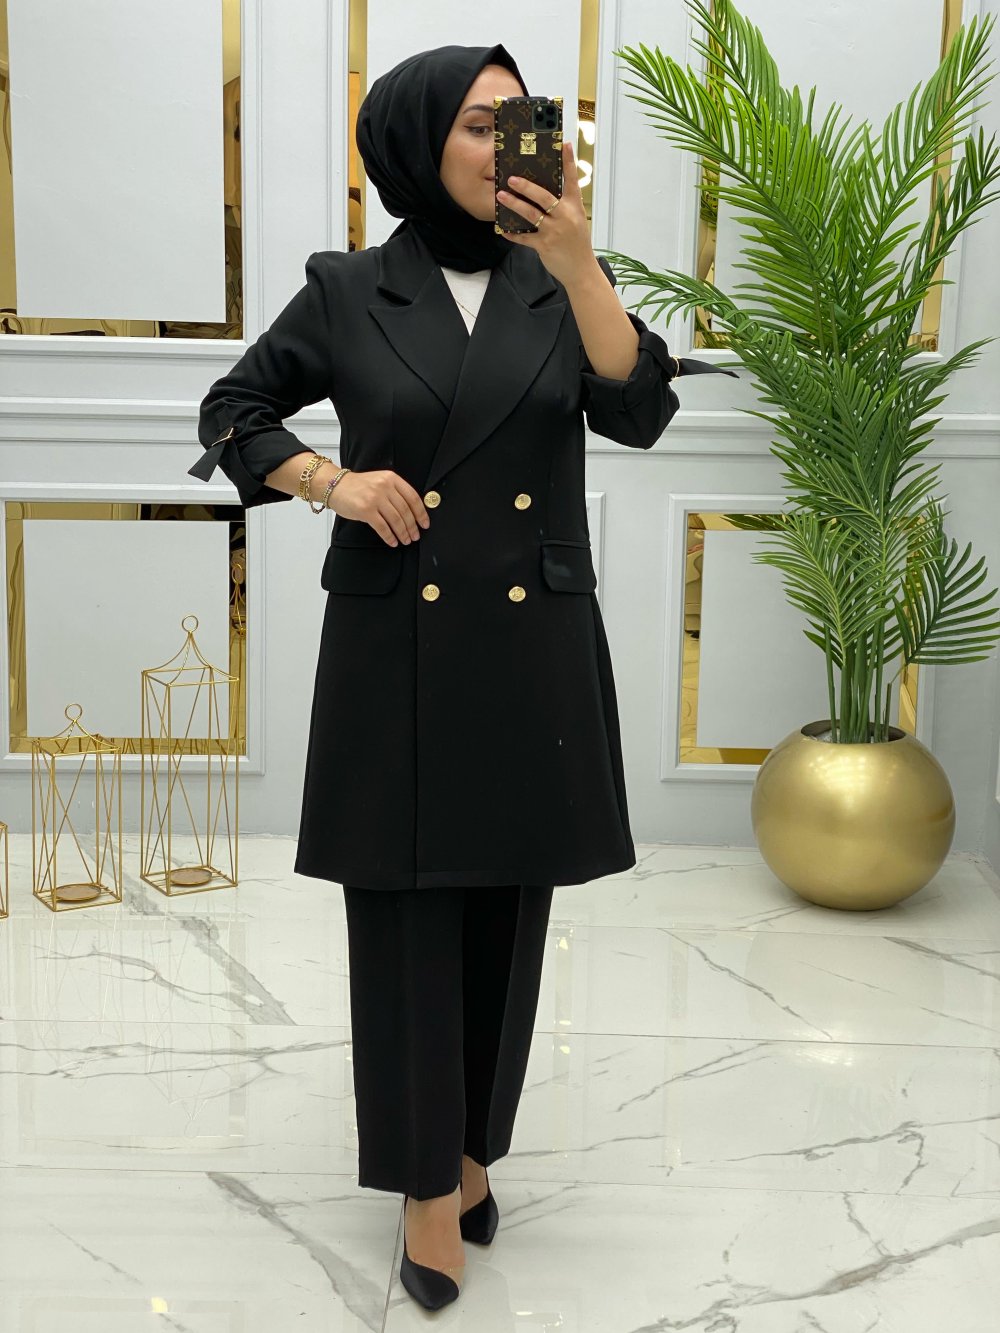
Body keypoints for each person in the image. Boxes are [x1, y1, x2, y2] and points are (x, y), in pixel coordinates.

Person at [189, 41, 736, 1313]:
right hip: (397, 642)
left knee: (506, 912)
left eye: (522, 121)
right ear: (416, 141)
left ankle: (474, 1148)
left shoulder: (562, 282)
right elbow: (233, 410)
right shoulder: (349, 287)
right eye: (480, 124)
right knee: (402, 920)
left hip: (531, 640)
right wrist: (330, 481)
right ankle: (424, 1185)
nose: (508, 144)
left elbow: (638, 410)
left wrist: (581, 262)